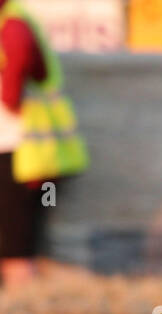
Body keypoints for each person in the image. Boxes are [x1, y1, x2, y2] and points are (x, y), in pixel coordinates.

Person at [0, 0, 47, 287]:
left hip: (14, 147)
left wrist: (10, 95)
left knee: (15, 249)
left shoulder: (14, 25)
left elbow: (14, 91)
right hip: (13, 146)